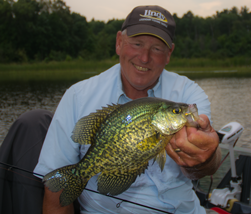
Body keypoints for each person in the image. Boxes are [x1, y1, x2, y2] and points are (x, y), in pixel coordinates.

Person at [34, 5, 221, 214]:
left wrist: (207, 156)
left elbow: (202, 168)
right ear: (119, 43)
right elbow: (55, 194)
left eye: (157, 48)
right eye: (137, 43)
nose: (144, 57)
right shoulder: (78, 96)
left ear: (169, 54)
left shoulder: (188, 94)